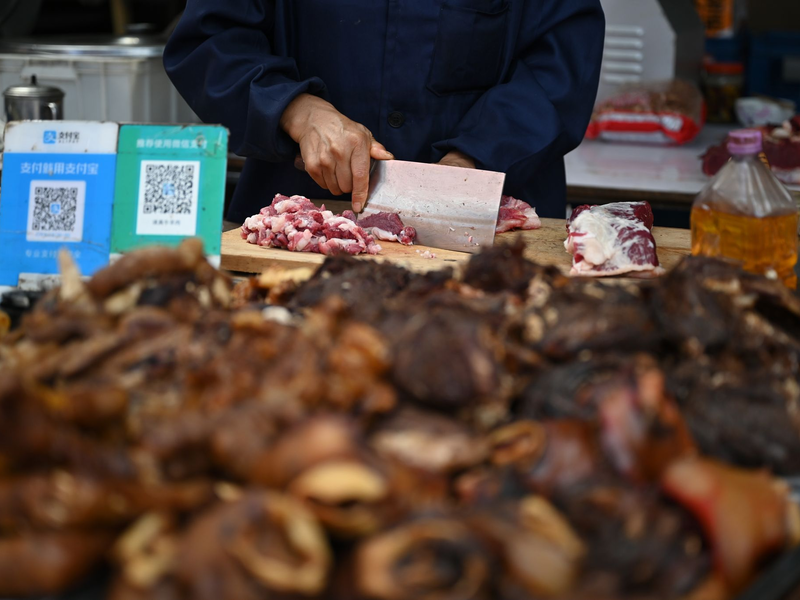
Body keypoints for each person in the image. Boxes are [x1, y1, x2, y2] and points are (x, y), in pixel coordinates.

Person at [164, 0, 605, 224]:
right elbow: (212, 38)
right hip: (303, 219)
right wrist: (296, 109)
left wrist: (475, 156)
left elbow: (562, 59)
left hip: (490, 220)